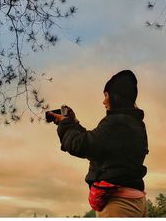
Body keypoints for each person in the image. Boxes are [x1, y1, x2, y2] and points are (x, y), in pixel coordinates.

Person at [47, 70, 149, 217]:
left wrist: (65, 124)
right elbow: (96, 146)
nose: (104, 101)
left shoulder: (116, 122)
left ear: (115, 97)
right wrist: (73, 123)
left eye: (106, 95)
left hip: (119, 203)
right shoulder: (133, 123)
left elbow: (81, 145)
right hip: (134, 200)